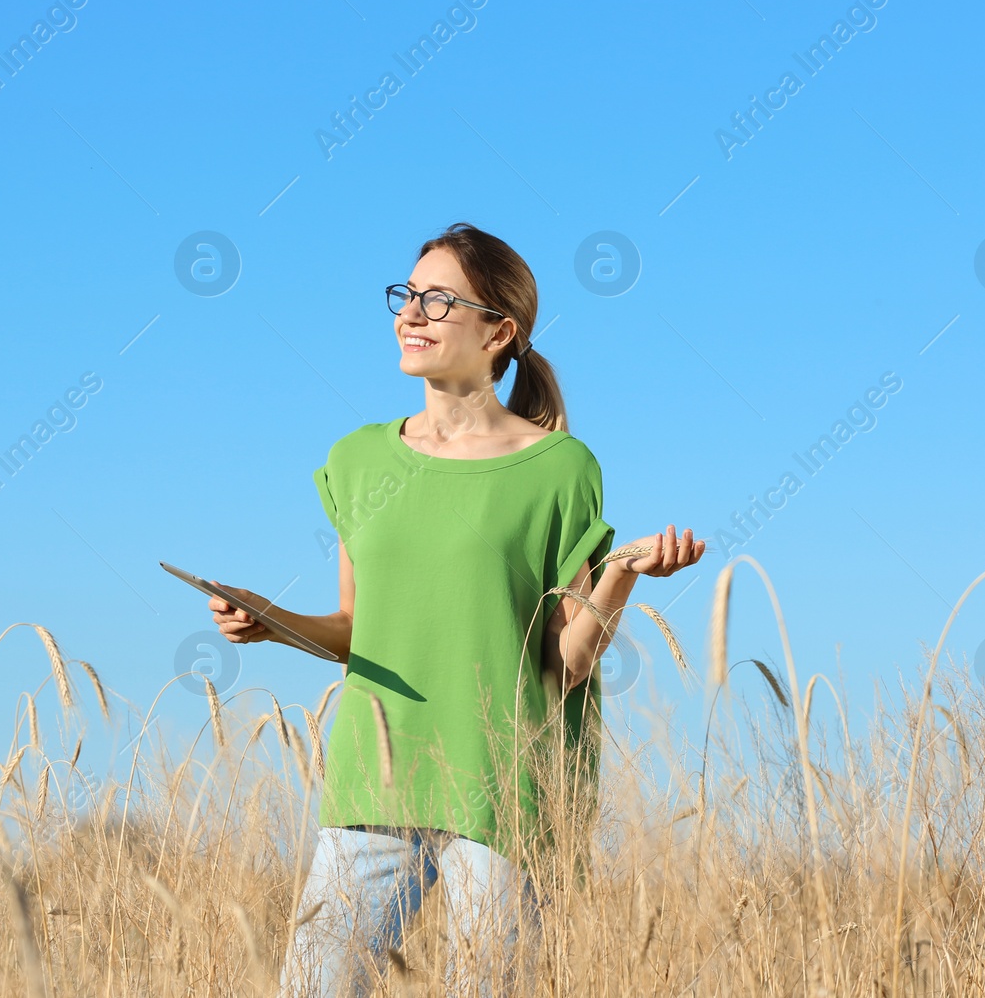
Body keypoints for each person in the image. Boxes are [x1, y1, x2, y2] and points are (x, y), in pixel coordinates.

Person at [207, 222, 704, 996]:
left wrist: (623, 575)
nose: (411, 314)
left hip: (504, 785)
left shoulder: (559, 469)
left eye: (439, 300)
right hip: (374, 781)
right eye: (406, 295)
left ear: (499, 332)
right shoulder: (358, 458)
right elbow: (352, 631)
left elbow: (567, 662)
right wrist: (271, 619)